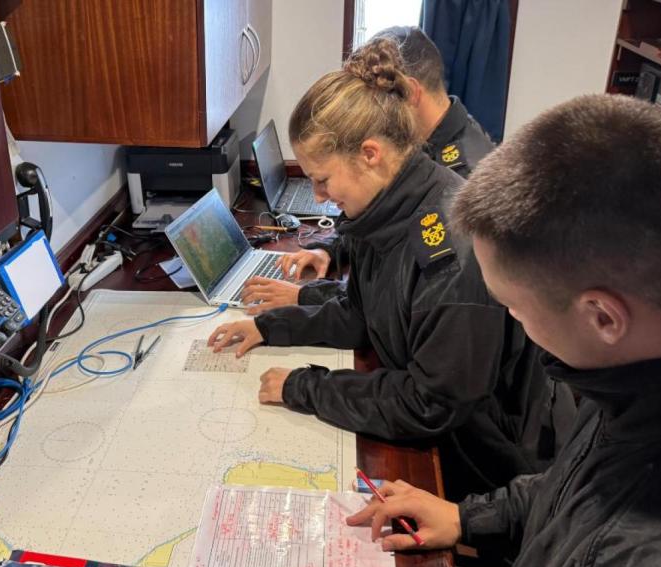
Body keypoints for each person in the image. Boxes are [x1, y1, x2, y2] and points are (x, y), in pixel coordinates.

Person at [346, 94, 661, 567]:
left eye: (513, 308)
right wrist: (468, 517)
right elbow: (575, 489)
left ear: (603, 317)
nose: (510, 321)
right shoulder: (648, 368)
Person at [206, 37, 574, 500]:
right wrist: (272, 327)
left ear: (370, 153)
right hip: (446, 428)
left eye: (323, 179)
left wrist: (307, 388)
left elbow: (430, 403)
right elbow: (361, 316)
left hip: (486, 464)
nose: (318, 197)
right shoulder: (380, 214)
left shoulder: (450, 250)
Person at [242, 26, 495, 315]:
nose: (374, 112)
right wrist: (330, 249)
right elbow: (382, 224)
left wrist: (307, 297)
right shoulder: (412, 151)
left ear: (409, 92)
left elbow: (417, 293)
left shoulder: (466, 176)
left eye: (384, 95)